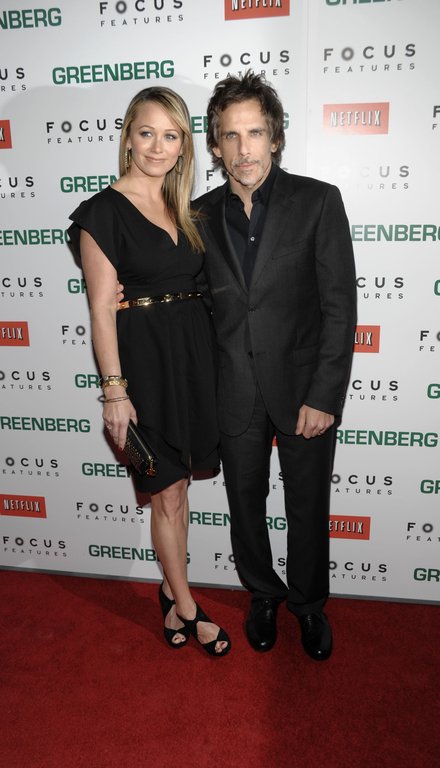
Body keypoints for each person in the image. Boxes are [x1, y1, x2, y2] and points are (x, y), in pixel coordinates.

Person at [193, 72, 357, 660]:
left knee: (307, 505)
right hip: (233, 387)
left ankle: (308, 605)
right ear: (215, 145)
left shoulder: (318, 201)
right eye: (230, 136)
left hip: (304, 389)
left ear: (276, 137)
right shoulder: (197, 215)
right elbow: (187, 301)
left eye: (255, 133)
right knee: (244, 502)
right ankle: (263, 594)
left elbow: (339, 308)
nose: (244, 149)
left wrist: (325, 395)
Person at [68, 87, 230, 657]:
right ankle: (187, 606)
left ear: (183, 144)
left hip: (194, 360)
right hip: (144, 366)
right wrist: (115, 392)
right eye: (147, 133)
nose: (158, 147)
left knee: (179, 490)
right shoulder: (101, 212)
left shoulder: (188, 209)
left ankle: (169, 587)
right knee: (164, 493)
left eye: (171, 135)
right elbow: (99, 309)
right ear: (128, 138)